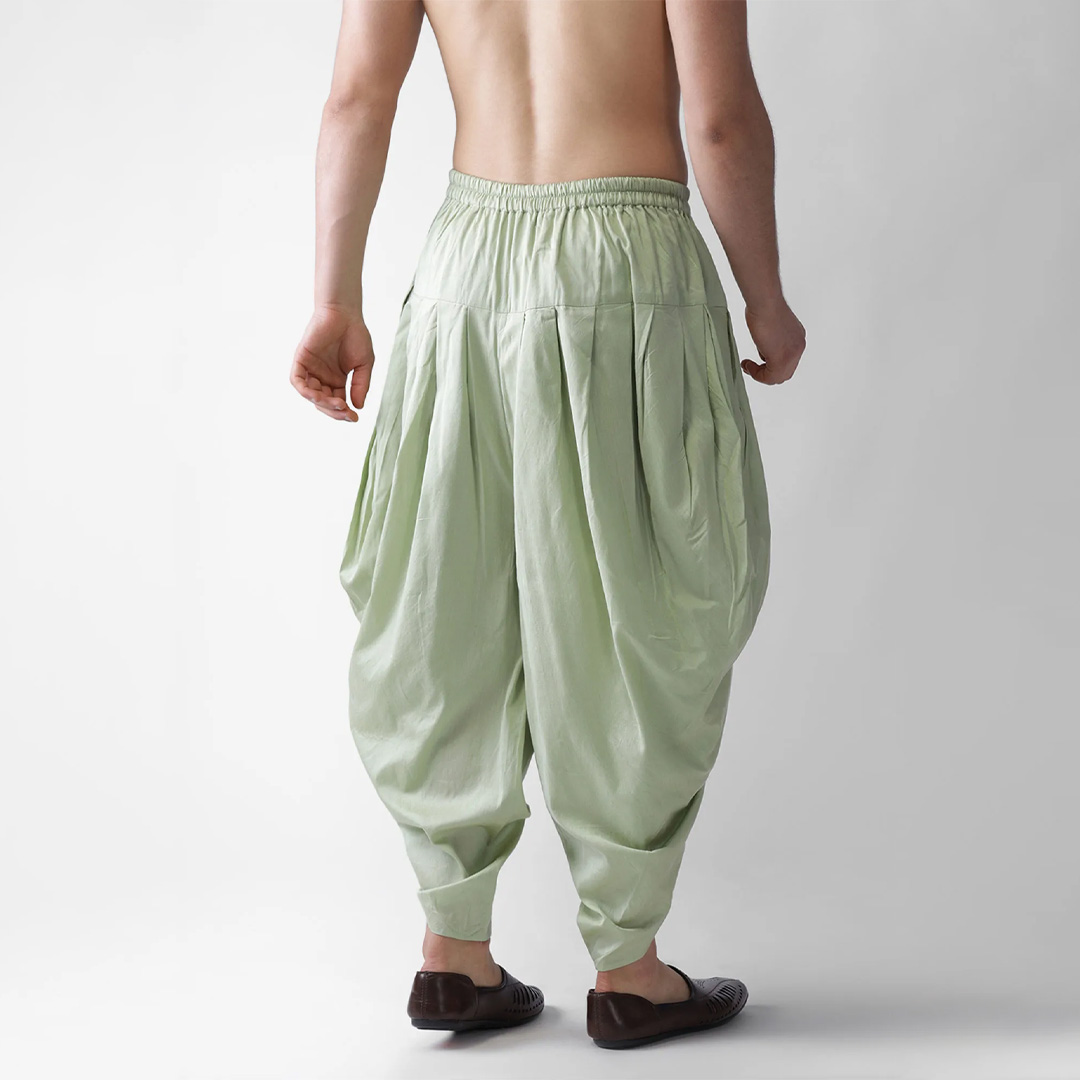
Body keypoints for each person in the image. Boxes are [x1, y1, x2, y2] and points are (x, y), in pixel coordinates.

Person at [290, 0, 805, 1049]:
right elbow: (718, 120)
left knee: (446, 602)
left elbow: (355, 100)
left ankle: (453, 953)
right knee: (644, 604)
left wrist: (333, 299)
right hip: (630, 268)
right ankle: (630, 967)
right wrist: (766, 297)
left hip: (465, 273)